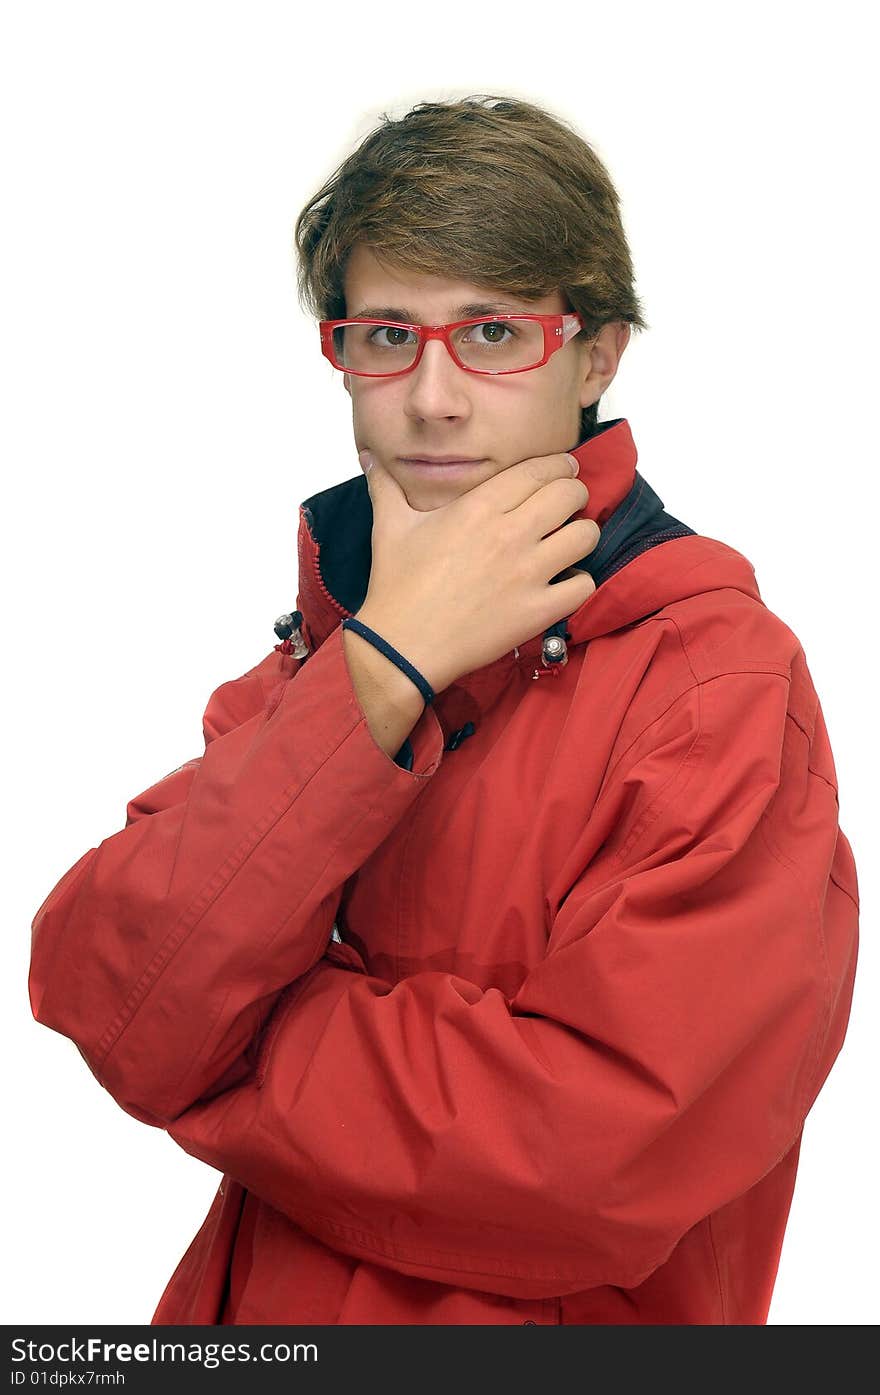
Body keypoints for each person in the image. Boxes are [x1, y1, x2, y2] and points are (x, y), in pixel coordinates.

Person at [28, 94, 859, 1326]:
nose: (431, 399)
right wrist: (387, 660)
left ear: (597, 352)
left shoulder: (713, 688)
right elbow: (93, 977)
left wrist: (215, 1039)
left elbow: (590, 1160)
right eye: (384, 336)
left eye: (491, 335)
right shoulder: (323, 663)